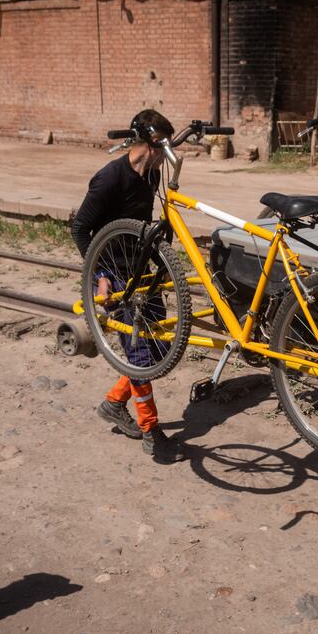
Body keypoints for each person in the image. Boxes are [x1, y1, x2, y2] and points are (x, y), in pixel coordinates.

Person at [71, 109, 185, 463]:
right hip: (113, 276)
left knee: (157, 351)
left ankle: (113, 403)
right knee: (138, 353)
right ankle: (151, 430)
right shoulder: (109, 179)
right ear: (148, 143)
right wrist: (99, 275)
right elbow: (80, 229)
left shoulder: (149, 176)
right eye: (163, 145)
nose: (166, 154)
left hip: (141, 271)